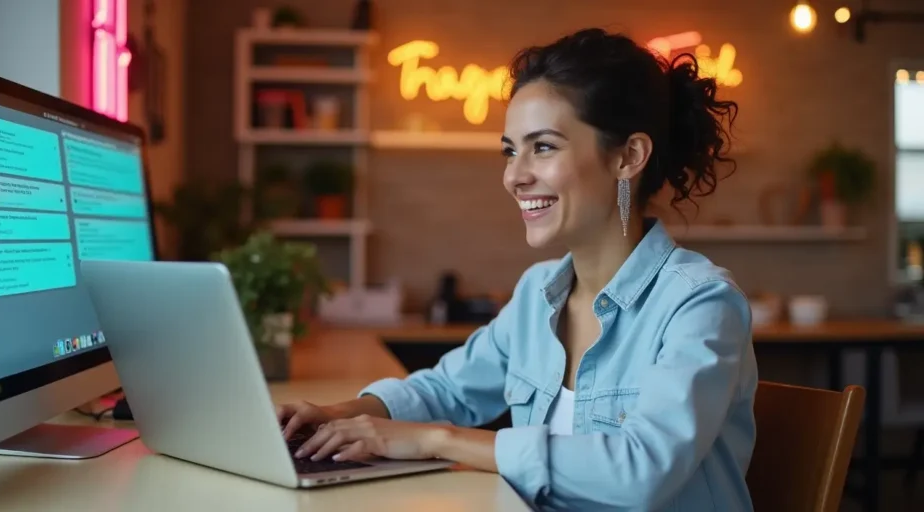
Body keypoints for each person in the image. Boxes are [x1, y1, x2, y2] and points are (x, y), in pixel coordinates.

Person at [276, 27, 757, 511]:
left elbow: (642, 469)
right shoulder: (538, 293)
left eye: (543, 147)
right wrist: (333, 415)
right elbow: (447, 390)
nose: (514, 175)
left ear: (628, 157)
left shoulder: (699, 304)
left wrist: (433, 440)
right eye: (510, 150)